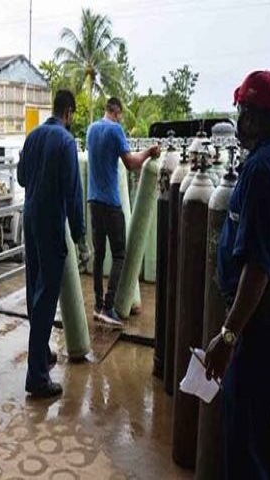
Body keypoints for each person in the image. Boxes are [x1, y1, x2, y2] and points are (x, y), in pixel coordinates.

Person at [205, 71, 270, 480]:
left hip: (261, 325)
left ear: (254, 116)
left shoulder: (265, 169)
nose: (238, 120)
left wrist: (228, 336)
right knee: (261, 437)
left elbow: (258, 268)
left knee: (247, 443)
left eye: (241, 111)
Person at [17, 89, 85, 399]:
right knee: (46, 297)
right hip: (49, 224)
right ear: (68, 113)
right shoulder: (66, 141)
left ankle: (42, 353)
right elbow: (72, 193)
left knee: (35, 291)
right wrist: (80, 237)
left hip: (29, 219)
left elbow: (20, 177)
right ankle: (38, 377)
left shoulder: (32, 136)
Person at [86, 97, 160, 324]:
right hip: (110, 202)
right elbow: (131, 163)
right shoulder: (115, 130)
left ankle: (98, 304)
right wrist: (149, 152)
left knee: (99, 254)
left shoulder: (91, 129)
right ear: (117, 112)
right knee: (119, 254)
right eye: (121, 115)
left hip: (93, 201)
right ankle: (109, 307)